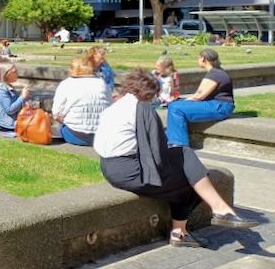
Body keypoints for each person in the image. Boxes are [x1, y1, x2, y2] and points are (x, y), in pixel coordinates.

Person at [94, 69, 257, 248]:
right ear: (150, 93)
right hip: (130, 172)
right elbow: (158, 152)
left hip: (110, 168)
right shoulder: (141, 109)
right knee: (191, 170)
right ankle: (219, 210)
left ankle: (181, 233)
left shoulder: (115, 107)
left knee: (190, 175)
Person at [166, 49, 235, 148]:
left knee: (176, 108)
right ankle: (174, 141)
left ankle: (179, 145)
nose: (198, 59)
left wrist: (183, 102)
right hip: (219, 105)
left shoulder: (215, 74)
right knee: (175, 105)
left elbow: (199, 96)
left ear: (203, 59)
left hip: (220, 106)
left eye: (199, 57)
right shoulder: (217, 72)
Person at [52, 56, 111, 146]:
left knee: (60, 128)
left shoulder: (66, 84)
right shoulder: (102, 84)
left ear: (72, 69)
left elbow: (56, 115)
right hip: (100, 135)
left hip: (75, 135)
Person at [0, 63, 29, 135]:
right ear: (6, 74)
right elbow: (9, 110)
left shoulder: (6, 85)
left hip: (9, 119)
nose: (17, 74)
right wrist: (23, 97)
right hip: (0, 123)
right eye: (14, 72)